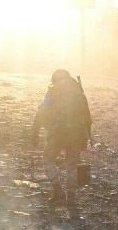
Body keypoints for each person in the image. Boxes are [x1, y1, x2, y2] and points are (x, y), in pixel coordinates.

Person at [31, 69, 92, 216]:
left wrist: (35, 131)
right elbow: (87, 116)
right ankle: (71, 197)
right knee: (72, 165)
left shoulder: (53, 91)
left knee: (48, 159)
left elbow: (42, 111)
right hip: (77, 134)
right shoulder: (78, 92)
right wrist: (87, 137)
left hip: (58, 133)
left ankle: (57, 190)